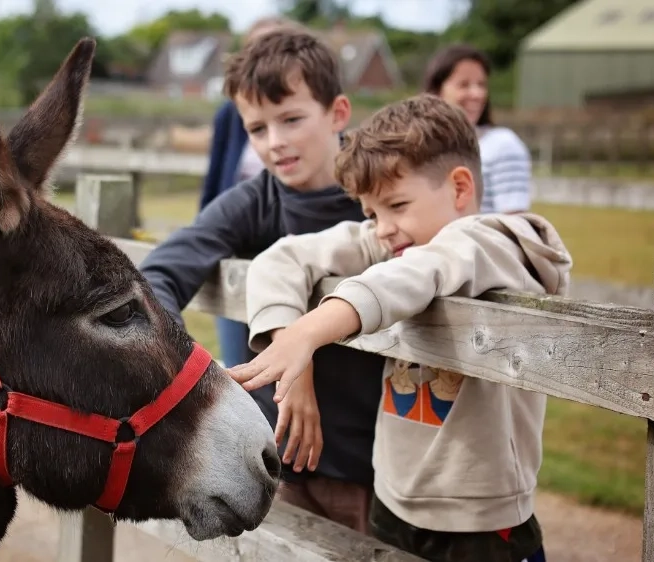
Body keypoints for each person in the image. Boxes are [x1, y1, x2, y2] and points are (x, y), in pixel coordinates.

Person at [230, 93, 571, 562]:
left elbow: (413, 276)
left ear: (458, 188)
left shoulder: (493, 244)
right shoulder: (400, 238)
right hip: (391, 499)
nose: (382, 228)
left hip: (480, 523)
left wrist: (308, 334)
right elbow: (283, 256)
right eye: (371, 214)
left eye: (396, 204)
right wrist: (291, 348)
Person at [138, 28, 384, 533]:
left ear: (338, 113)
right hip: (275, 461)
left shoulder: (385, 197)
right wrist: (180, 370)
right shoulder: (253, 201)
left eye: (292, 119)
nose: (275, 143)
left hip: (371, 464)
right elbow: (159, 275)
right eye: (257, 128)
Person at [198, 15, 302, 370]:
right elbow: (216, 177)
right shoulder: (231, 112)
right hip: (236, 246)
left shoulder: (308, 109)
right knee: (237, 354)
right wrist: (206, 233)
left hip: (287, 248)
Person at [423, 44, 532, 214]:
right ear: (437, 91)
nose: (477, 94)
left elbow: (514, 226)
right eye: (464, 85)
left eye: (481, 85)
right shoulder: (420, 148)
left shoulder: (503, 145)